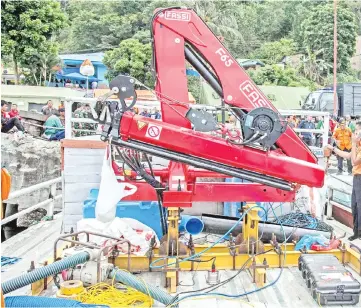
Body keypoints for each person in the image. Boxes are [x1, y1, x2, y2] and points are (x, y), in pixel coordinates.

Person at [327, 121, 361, 241]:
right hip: (356, 177)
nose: (354, 134)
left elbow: (354, 162)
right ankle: (356, 231)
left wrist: (352, 143)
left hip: (360, 177)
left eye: (357, 132)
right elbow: (346, 155)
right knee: (355, 205)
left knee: (359, 205)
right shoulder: (357, 146)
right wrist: (333, 149)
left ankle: (359, 232)